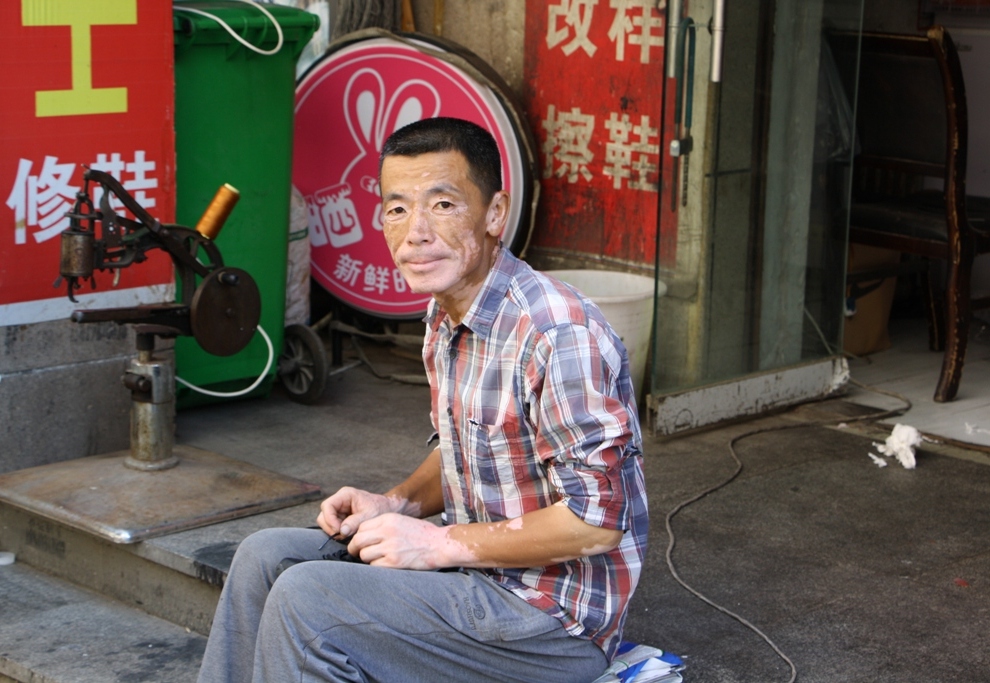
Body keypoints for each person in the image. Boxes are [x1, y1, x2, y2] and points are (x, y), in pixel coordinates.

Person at [197, 117, 648, 683]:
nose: (415, 233)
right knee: (265, 557)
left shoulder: (559, 334)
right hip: (472, 577)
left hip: (551, 623)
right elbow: (464, 449)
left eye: (442, 205)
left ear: (494, 214)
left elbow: (596, 524)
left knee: (311, 599)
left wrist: (437, 543)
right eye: (397, 209)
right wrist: (398, 505)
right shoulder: (446, 311)